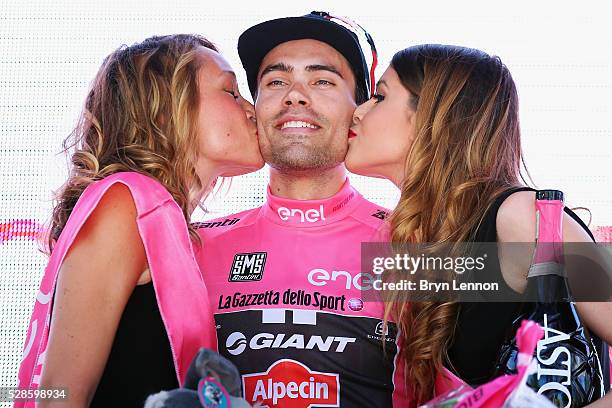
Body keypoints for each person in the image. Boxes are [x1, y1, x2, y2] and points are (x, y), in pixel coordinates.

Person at [346, 44, 612, 406]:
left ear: (434, 116)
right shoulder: (421, 240)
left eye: (378, 96)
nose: (357, 112)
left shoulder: (524, 216)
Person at [16, 34, 263, 407]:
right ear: (165, 110)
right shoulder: (126, 202)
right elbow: (59, 397)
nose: (252, 109)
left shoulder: (163, 221)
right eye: (231, 91)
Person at [195, 11, 409, 407]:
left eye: (322, 80)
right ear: (253, 109)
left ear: (358, 113)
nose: (295, 95)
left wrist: (515, 207)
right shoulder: (191, 245)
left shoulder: (414, 243)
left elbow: (553, 285)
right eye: (276, 81)